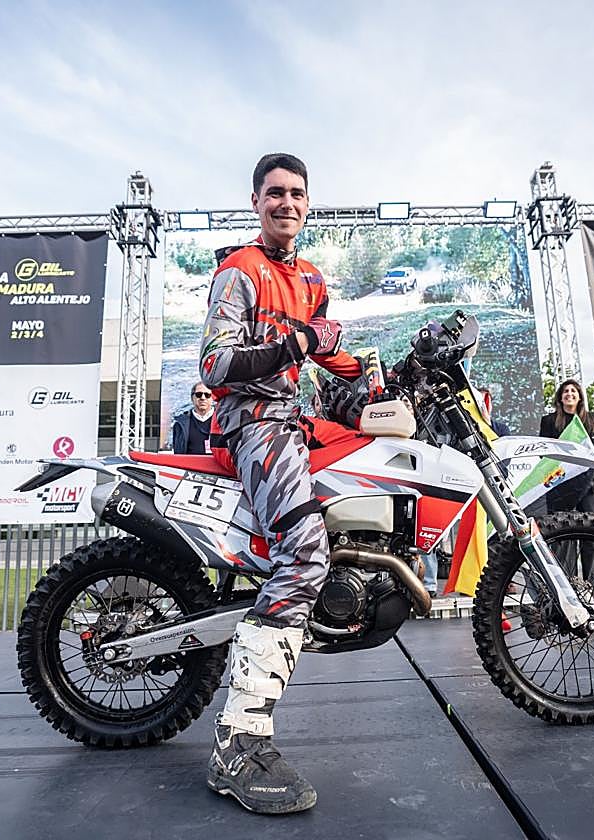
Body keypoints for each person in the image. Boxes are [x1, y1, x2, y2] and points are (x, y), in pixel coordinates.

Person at [198, 153, 363, 815]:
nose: (286, 203)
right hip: (255, 423)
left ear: (308, 203)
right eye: (275, 193)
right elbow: (215, 365)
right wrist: (294, 345)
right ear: (256, 202)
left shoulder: (312, 278)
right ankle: (238, 742)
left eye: (296, 194)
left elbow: (332, 354)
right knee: (304, 554)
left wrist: (383, 374)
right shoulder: (239, 270)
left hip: (298, 419)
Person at [539, 378, 594, 586]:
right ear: (560, 398)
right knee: (564, 532)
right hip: (562, 486)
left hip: (591, 486)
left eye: (573, 391)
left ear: (579, 397)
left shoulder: (593, 419)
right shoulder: (549, 421)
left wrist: (593, 474)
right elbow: (544, 454)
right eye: (565, 391)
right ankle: (566, 579)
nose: (569, 394)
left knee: (592, 531)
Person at [170, 384, 215, 454]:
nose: (203, 398)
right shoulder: (180, 424)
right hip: (188, 461)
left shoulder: (223, 420)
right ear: (192, 398)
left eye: (207, 395)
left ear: (213, 398)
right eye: (198, 394)